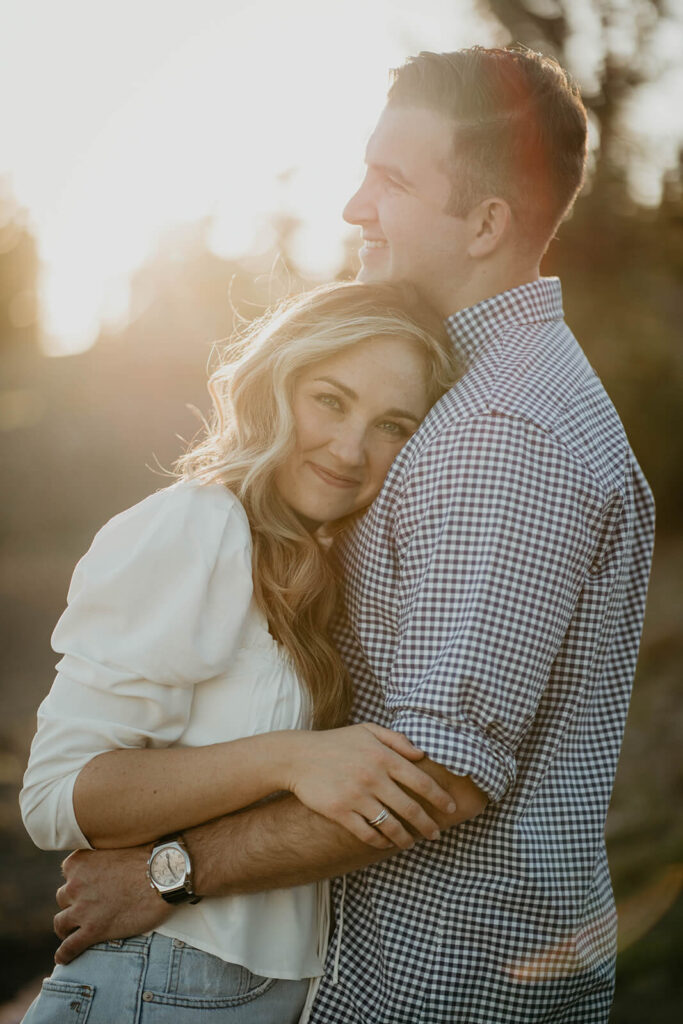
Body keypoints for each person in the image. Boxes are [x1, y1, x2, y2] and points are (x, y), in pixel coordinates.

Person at [40, 47, 655, 1024]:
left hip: (442, 989)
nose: (352, 207)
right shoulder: (477, 397)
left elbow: (434, 777)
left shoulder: (500, 435)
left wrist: (168, 869)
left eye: (392, 180)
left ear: (486, 222)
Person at [19, 280, 464, 1024]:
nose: (351, 448)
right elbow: (55, 797)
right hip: (161, 984)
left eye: (392, 425)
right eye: (329, 400)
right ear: (274, 388)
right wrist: (289, 758)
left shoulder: (325, 560)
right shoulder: (199, 525)